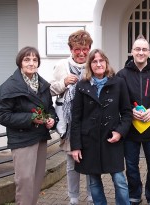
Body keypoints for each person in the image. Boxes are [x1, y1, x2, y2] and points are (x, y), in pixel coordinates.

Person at [70, 49, 132, 205]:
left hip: (111, 138)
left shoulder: (118, 83)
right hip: (89, 141)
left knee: (119, 180)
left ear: (106, 63)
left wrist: (120, 132)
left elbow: (126, 113)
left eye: (101, 61)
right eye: (94, 61)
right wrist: (76, 146)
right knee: (94, 182)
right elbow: (76, 118)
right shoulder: (82, 85)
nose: (98, 64)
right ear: (90, 65)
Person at [0, 46, 56, 205]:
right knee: (25, 180)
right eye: (27, 59)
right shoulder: (9, 86)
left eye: (35, 60)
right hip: (22, 139)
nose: (31, 63)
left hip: (40, 137)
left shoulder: (43, 85)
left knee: (36, 178)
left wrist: (51, 119)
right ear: (20, 62)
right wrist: (31, 118)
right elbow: (2, 115)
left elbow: (49, 108)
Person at [116, 35, 150, 205]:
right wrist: (129, 111)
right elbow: (119, 100)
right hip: (130, 129)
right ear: (132, 51)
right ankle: (134, 194)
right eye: (137, 49)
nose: (141, 52)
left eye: (144, 49)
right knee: (131, 166)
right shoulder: (122, 74)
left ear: (149, 52)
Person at [49, 29, 93, 205]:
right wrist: (63, 83)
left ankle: (92, 195)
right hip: (69, 123)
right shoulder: (62, 66)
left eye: (85, 49)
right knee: (71, 163)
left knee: (90, 161)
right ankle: (73, 197)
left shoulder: (94, 63)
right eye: (77, 49)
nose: (81, 53)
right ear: (71, 49)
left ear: (89, 48)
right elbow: (49, 90)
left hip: (89, 120)